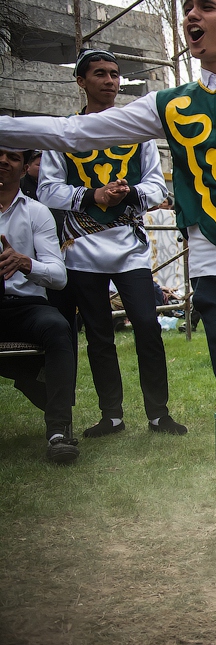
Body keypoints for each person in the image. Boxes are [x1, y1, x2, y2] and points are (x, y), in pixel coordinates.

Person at [0, 0, 216, 555]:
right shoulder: (168, 105)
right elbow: (71, 133)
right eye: (187, 7)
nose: (192, 15)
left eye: (207, 6)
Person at [36, 49, 185, 439]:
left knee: (149, 327)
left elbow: (156, 186)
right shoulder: (62, 132)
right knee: (99, 335)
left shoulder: (136, 132)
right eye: (100, 74)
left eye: (116, 74)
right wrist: (93, 196)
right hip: (82, 249)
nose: (111, 81)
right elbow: (47, 189)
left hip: (130, 250)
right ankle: (112, 417)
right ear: (81, 81)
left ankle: (158, 414)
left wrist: (128, 192)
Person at [0, 147, 78, 464]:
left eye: (13, 156)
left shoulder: (36, 212)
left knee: (58, 327)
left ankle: (58, 432)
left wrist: (26, 263)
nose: (4, 160)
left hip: (25, 305)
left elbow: (58, 276)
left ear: (24, 169)